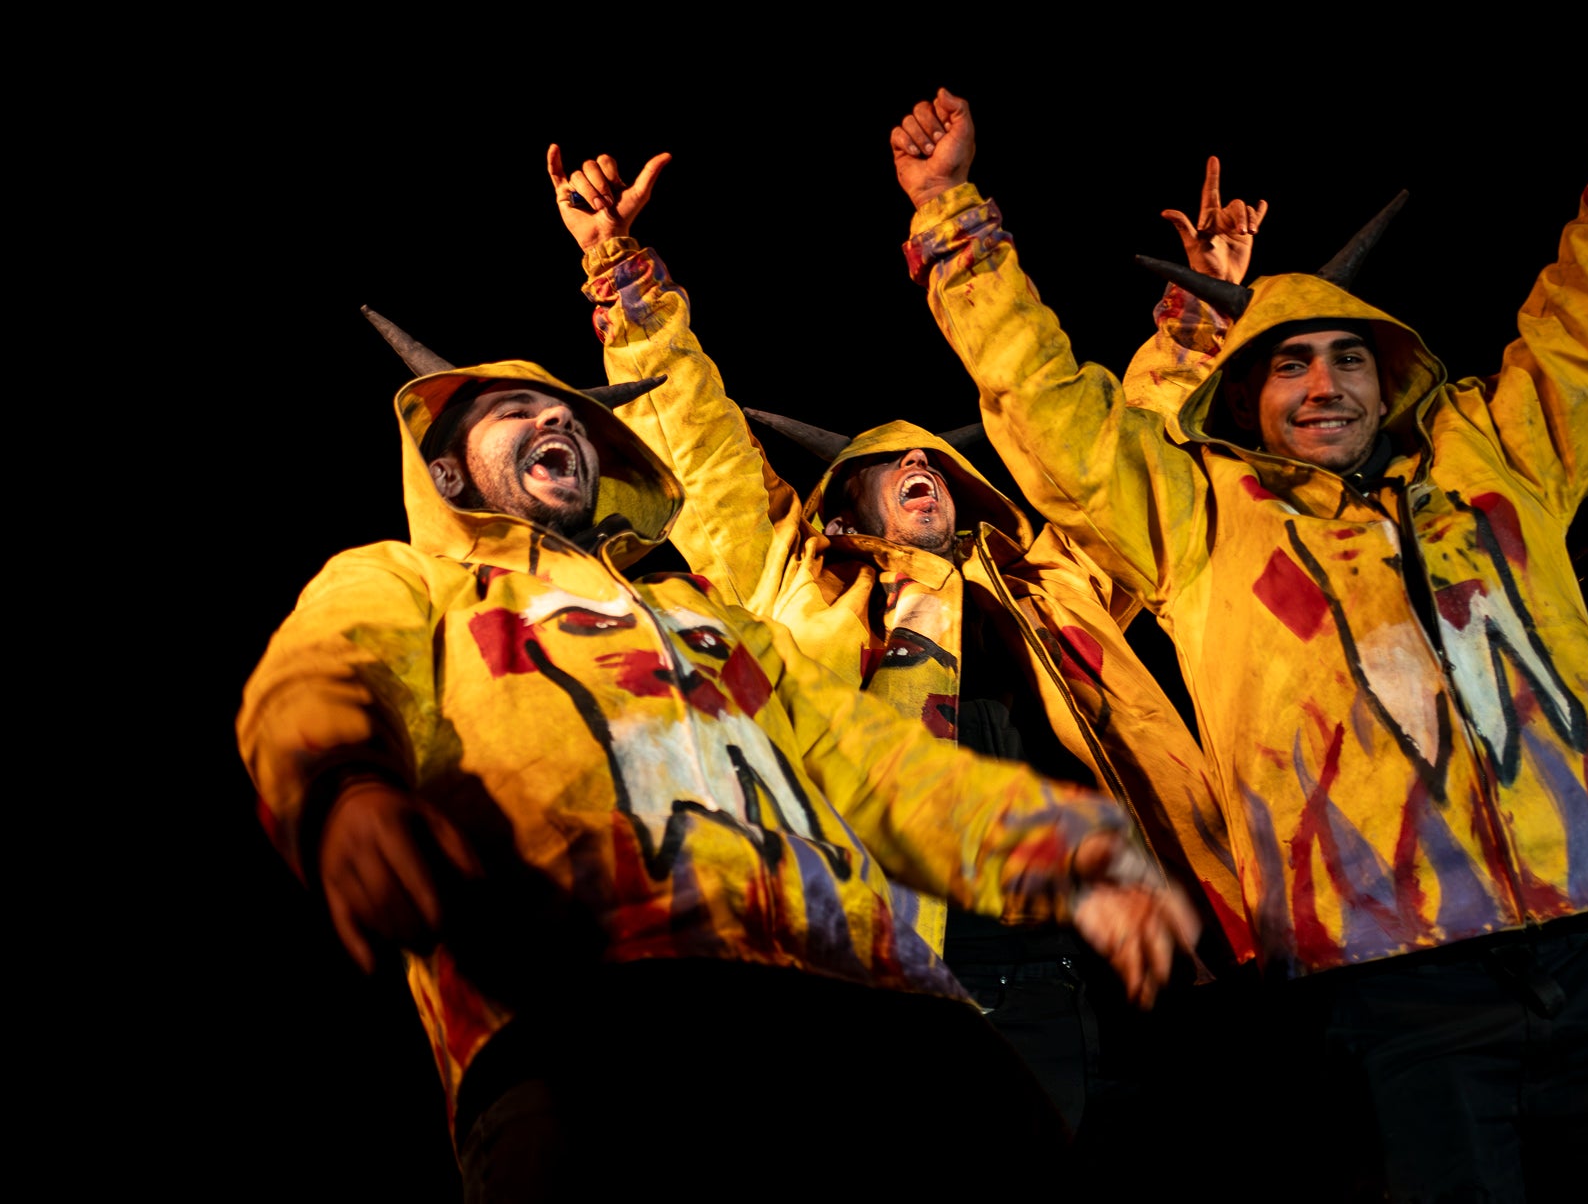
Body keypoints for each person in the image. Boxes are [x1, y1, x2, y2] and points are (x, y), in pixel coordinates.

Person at [889, 0, 1588, 1199]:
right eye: (1286, 362)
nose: (1323, 383)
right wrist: (953, 218)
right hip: (1386, 982)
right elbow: (1048, 412)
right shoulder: (1197, 521)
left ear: (1388, 368)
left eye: (1347, 355)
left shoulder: (1496, 462)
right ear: (1239, 396)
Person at [235, 323, 1199, 1195]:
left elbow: (869, 758)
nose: (553, 420)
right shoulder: (408, 581)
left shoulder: (709, 618)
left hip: (862, 1004)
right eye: (514, 410)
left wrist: (1063, 854)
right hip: (586, 1010)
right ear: (446, 475)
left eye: (569, 413)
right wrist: (342, 788)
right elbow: (321, 676)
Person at [539, 145, 1256, 1132]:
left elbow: (1125, 456)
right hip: (914, 967)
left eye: (933, 458)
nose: (921, 460)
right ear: (850, 503)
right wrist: (616, 267)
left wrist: (1198, 318)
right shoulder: (810, 596)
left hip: (1111, 957)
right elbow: (700, 458)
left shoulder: (1055, 587)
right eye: (894, 462)